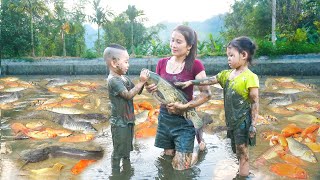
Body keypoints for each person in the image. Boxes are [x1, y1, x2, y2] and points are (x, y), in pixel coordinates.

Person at [175, 36, 259, 178]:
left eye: (232, 55)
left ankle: (243, 176)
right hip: (231, 121)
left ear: (244, 55)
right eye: (228, 56)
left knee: (243, 151)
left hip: (243, 122)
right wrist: (191, 82)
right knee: (237, 150)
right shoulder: (226, 75)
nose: (229, 59)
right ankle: (241, 172)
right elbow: (209, 80)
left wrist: (254, 125)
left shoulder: (250, 77)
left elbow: (255, 102)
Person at [145, 25, 211, 170]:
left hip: (185, 120)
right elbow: (158, 93)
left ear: (189, 46)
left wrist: (185, 107)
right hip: (165, 119)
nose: (173, 45)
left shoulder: (195, 65)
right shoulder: (162, 63)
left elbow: (206, 93)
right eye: (172, 40)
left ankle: (197, 151)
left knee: (181, 167)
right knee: (167, 158)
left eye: (178, 42)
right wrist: (151, 89)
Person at [103, 43, 149, 174]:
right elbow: (128, 95)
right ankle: (116, 173)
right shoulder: (113, 81)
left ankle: (127, 171)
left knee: (127, 148)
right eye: (126, 62)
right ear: (114, 62)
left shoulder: (124, 78)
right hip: (119, 122)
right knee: (118, 150)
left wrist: (145, 82)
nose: (128, 65)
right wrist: (141, 82)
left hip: (128, 120)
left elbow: (137, 91)